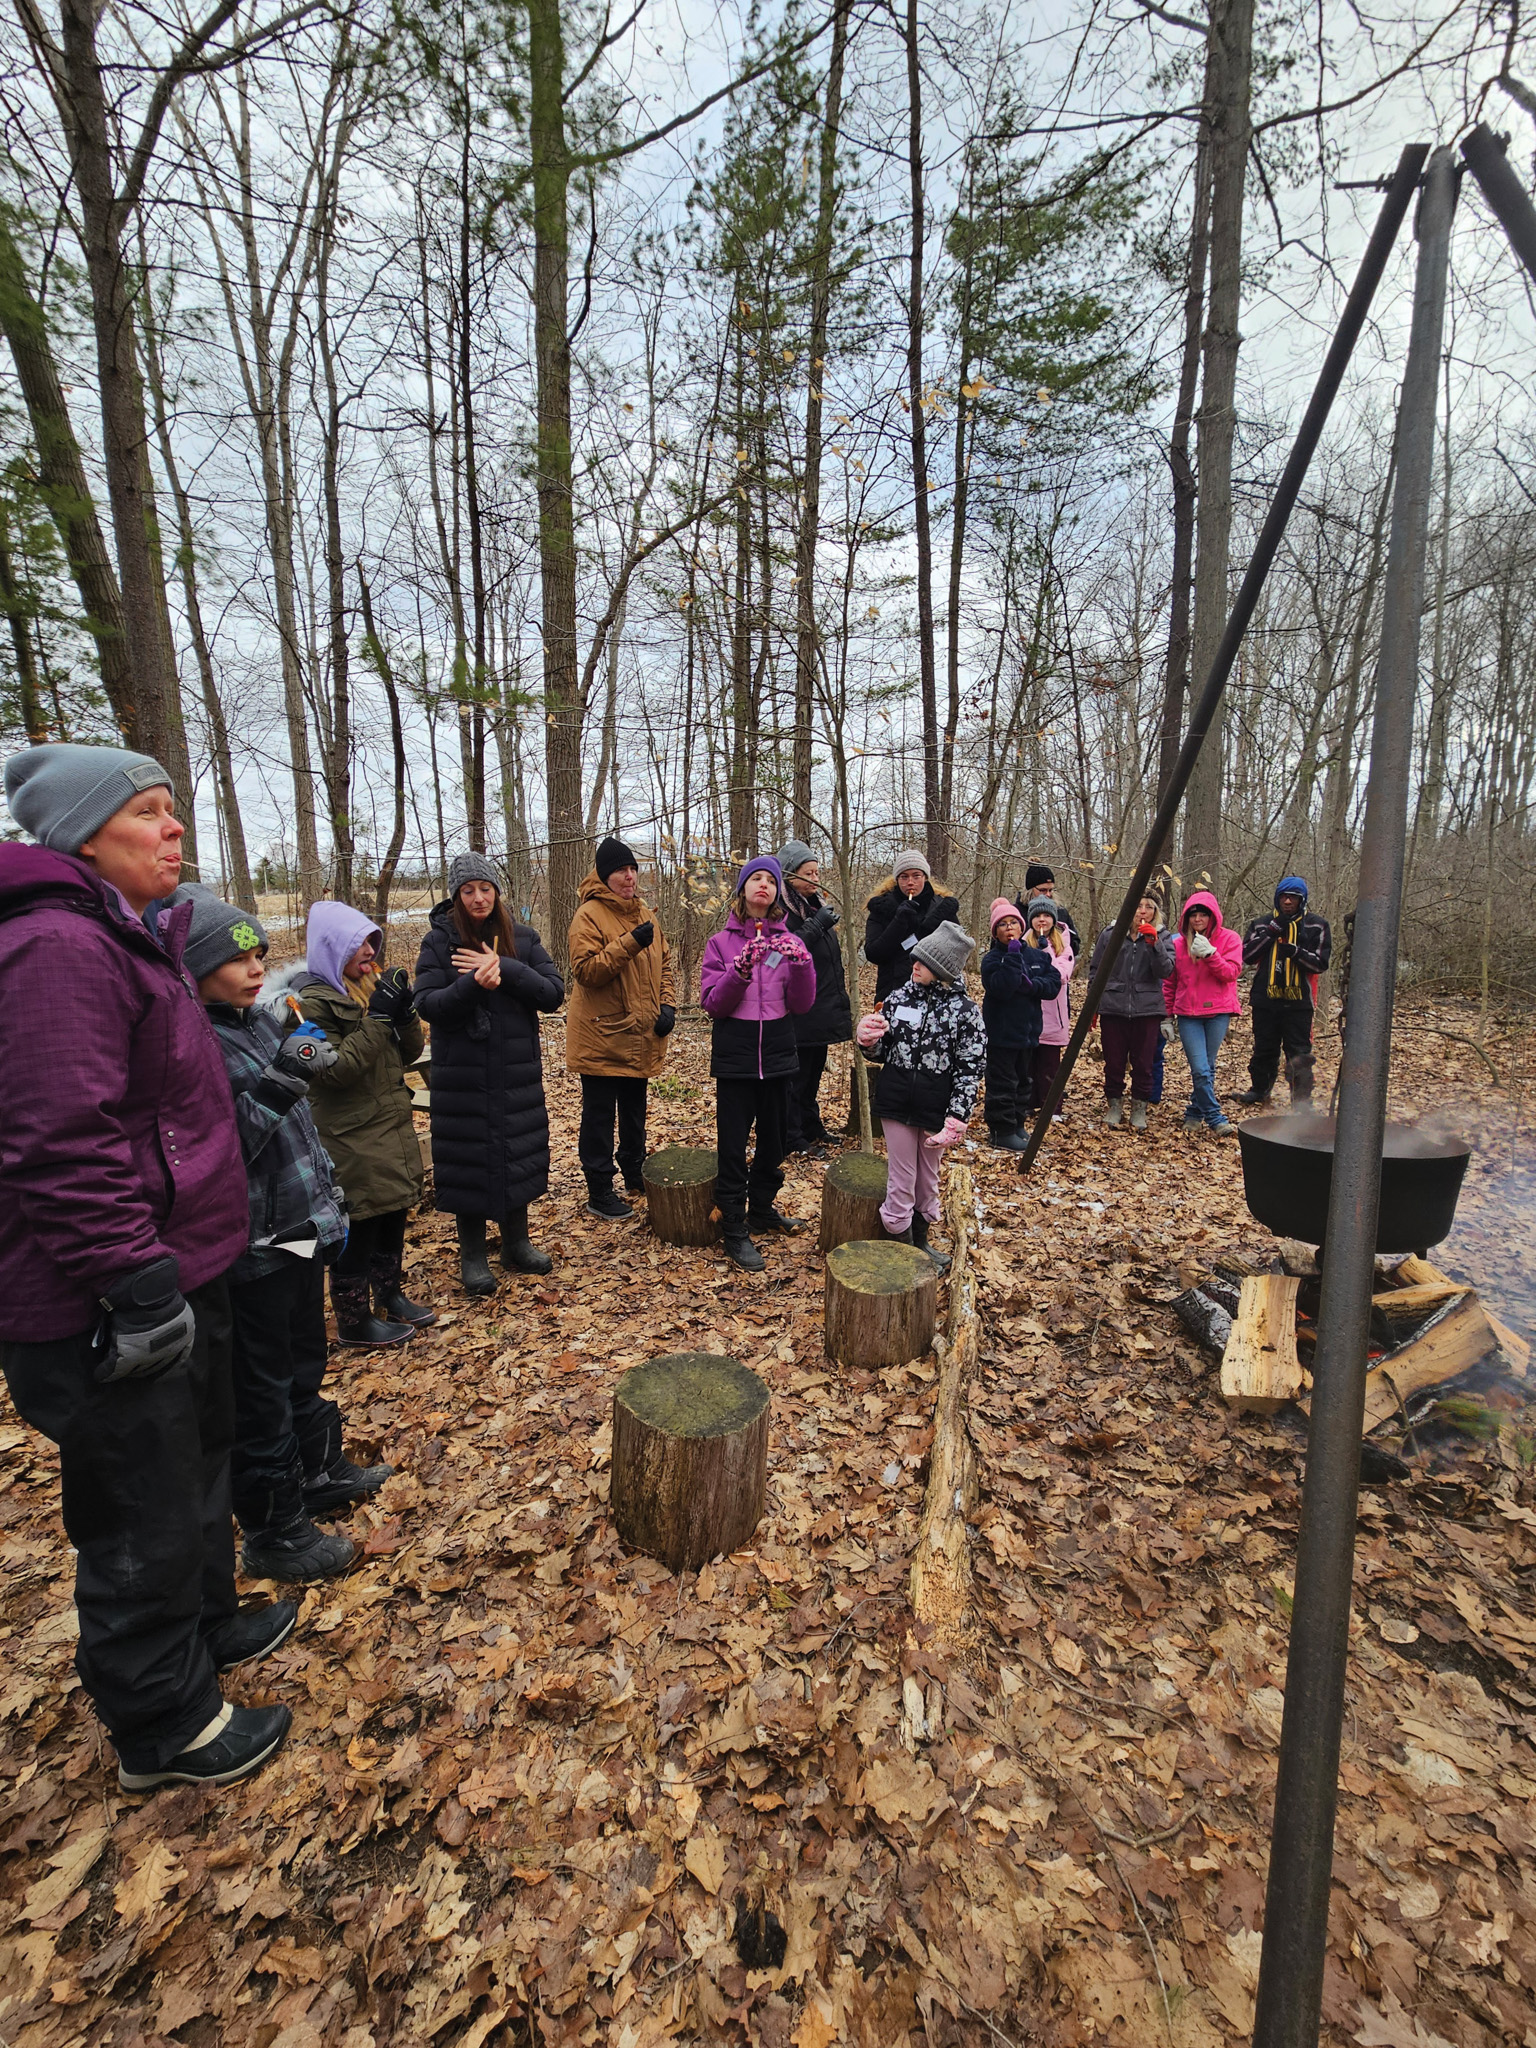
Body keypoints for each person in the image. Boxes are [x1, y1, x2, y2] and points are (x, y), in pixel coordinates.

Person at [0, 742, 292, 1791]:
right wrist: (130, 1277)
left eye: (175, 810)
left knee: (196, 1464)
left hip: (179, 1266)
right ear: (85, 835)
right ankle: (162, 1720)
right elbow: (55, 1136)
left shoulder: (124, 937)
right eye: (151, 813)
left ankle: (208, 1625)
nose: (175, 829)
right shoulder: (52, 947)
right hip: (108, 1292)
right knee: (139, 1503)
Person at [181, 889, 390, 1581]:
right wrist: (283, 1077)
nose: (252, 967)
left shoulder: (262, 1021)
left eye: (256, 954)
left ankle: (318, 1472)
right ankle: (274, 1528)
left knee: (306, 1359)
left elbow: (302, 1129)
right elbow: (215, 1149)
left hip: (301, 1231)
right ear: (195, 965)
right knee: (263, 1385)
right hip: (255, 1247)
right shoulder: (200, 1041)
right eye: (233, 957)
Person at [415, 854, 565, 1293]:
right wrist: (470, 984)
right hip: (463, 1075)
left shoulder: (523, 937)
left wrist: (508, 969)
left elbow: (553, 993)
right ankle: (474, 1255)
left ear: (497, 891)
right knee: (469, 1160)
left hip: (514, 1071)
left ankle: (517, 1243)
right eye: (468, 890)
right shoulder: (438, 944)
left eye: (485, 888)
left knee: (515, 1152)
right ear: (456, 897)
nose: (478, 898)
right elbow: (427, 1005)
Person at [290, 903, 432, 1345]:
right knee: (361, 1223)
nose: (371, 952)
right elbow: (334, 1071)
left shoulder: (365, 988)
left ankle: (389, 1294)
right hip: (349, 1133)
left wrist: (404, 1013)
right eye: (360, 945)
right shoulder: (309, 1003)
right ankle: (353, 1319)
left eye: (373, 942)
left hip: (386, 1123)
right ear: (334, 948)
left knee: (391, 1213)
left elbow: (406, 1053)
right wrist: (377, 1020)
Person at [699, 856, 816, 1272]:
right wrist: (741, 969)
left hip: (780, 1053)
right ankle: (733, 1225)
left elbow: (802, 1004)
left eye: (770, 880)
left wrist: (801, 965)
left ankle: (762, 1208)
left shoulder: (793, 941)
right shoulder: (720, 943)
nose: (763, 886)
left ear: (778, 891)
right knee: (732, 1145)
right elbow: (713, 1004)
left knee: (775, 1140)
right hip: (736, 1055)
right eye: (755, 879)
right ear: (743, 890)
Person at [856, 920, 984, 1271]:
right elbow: (882, 1050)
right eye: (915, 959)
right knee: (902, 1176)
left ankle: (921, 1239)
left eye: (923, 961)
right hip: (896, 1103)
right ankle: (903, 1247)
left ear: (942, 970)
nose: (914, 965)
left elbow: (971, 1068)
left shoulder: (966, 1013)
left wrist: (957, 1116)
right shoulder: (898, 998)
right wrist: (869, 1040)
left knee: (927, 1178)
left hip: (935, 1110)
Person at [566, 836, 676, 1221]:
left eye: (632, 869)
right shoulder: (589, 915)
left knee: (634, 1110)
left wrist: (668, 1005)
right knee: (599, 1115)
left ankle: (634, 1173)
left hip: (640, 1033)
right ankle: (599, 1189)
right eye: (621, 871)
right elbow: (586, 972)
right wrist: (629, 942)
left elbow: (665, 961)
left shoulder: (644, 912)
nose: (629, 877)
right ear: (604, 876)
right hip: (601, 1035)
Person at [777, 839, 852, 1154]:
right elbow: (780, 952)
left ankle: (811, 1125)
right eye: (809, 873)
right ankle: (792, 1136)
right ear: (791, 876)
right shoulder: (781, 910)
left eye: (817, 873)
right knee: (797, 1077)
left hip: (822, 1007)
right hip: (798, 1011)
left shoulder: (814, 905)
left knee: (813, 1075)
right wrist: (815, 927)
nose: (816, 879)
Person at [1236, 876, 1332, 1108]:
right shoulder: (1262, 924)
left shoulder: (1317, 925)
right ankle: (1259, 1090)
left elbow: (1321, 963)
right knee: (1263, 1049)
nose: (1288, 902)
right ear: (1277, 899)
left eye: (1293, 898)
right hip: (1264, 999)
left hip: (1298, 1002)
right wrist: (1270, 933)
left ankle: (1301, 1101)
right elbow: (1247, 955)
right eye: (1284, 897)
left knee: (1299, 1053)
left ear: (1302, 900)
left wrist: (1296, 953)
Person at [978, 899, 1061, 1151]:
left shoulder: (1036, 956)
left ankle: (1017, 1124)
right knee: (1002, 1083)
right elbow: (1002, 987)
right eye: (1002, 925)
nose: (1009, 928)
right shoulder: (992, 960)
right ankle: (1000, 1130)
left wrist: (1033, 986)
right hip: (1001, 1036)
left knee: (1023, 1082)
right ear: (995, 932)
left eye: (1013, 922)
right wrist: (1012, 957)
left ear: (1021, 925)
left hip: (1028, 1033)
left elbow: (1053, 983)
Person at [1088, 895, 1176, 1131]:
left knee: (1144, 1064)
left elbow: (1165, 970)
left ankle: (1139, 1108)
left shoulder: (1163, 936)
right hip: (1113, 1007)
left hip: (1147, 1010)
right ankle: (1114, 1106)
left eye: (1149, 907)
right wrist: (1093, 1008)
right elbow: (1096, 971)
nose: (1143, 911)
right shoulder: (1110, 934)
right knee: (1114, 1062)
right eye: (1138, 906)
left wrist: (1154, 943)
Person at [1162, 890, 1243, 1136]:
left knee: (1207, 1066)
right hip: (1188, 1013)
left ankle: (1195, 1113)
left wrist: (1211, 954)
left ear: (1212, 917)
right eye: (1193, 915)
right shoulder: (1177, 944)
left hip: (1218, 1011)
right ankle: (1216, 1118)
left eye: (1203, 915)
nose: (1198, 919)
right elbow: (1169, 983)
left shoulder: (1230, 939)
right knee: (1200, 1068)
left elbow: (1230, 974)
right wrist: (1166, 1016)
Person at [863, 850, 961, 1002]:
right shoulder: (881, 907)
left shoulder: (942, 908)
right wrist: (898, 922)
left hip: (936, 996)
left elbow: (957, 952)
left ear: (925, 877)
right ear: (897, 879)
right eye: (904, 876)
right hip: (893, 993)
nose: (910, 882)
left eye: (916, 876)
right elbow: (874, 954)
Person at [1024, 896, 1076, 1117]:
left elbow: (1061, 974)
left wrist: (1046, 953)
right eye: (1037, 916)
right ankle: (1028, 1103)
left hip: (1053, 1016)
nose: (1042, 920)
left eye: (1046, 916)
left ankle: (1051, 1108)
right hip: (1028, 1014)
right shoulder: (1023, 942)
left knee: (1049, 1067)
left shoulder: (1063, 944)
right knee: (1028, 1065)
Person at [1014, 863, 1080, 948]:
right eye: (1043, 890)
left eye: (1050, 890)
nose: (1048, 894)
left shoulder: (1060, 912)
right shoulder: (1015, 913)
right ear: (1030, 890)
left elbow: (1075, 943)